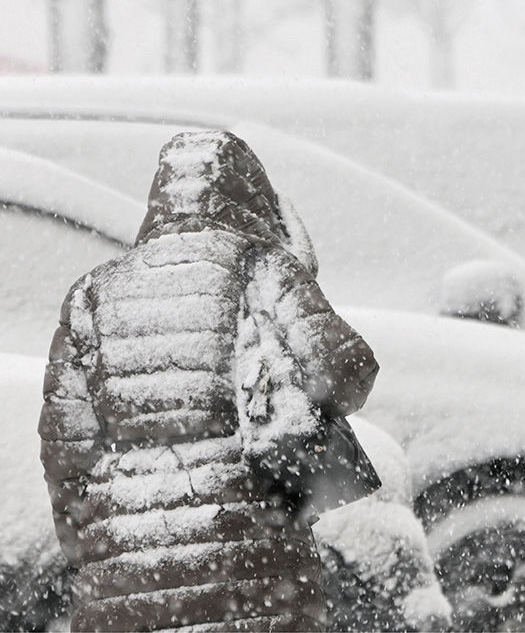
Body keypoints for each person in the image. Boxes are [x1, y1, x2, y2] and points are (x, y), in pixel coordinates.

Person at [39, 130, 380, 632]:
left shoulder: (92, 293)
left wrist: (92, 553)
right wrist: (301, 275)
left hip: (126, 563)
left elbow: (66, 454)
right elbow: (347, 372)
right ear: (252, 196)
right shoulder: (262, 267)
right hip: (251, 560)